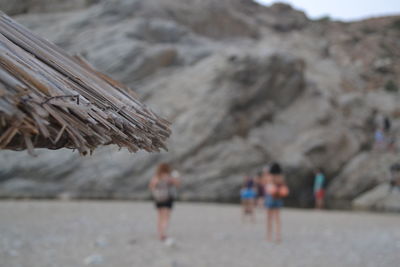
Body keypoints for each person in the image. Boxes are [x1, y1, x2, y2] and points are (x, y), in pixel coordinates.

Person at [149, 163, 180, 242]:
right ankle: (163, 233)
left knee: (160, 217)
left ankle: (160, 233)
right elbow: (177, 184)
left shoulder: (156, 177)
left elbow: (151, 186)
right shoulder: (169, 177)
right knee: (166, 217)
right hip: (167, 198)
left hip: (158, 199)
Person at [264, 162, 289, 243]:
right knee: (277, 218)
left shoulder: (269, 176)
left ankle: (269, 236)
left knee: (269, 218)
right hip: (278, 197)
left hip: (270, 197)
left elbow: (265, 183)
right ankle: (278, 236)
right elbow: (283, 185)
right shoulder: (281, 177)